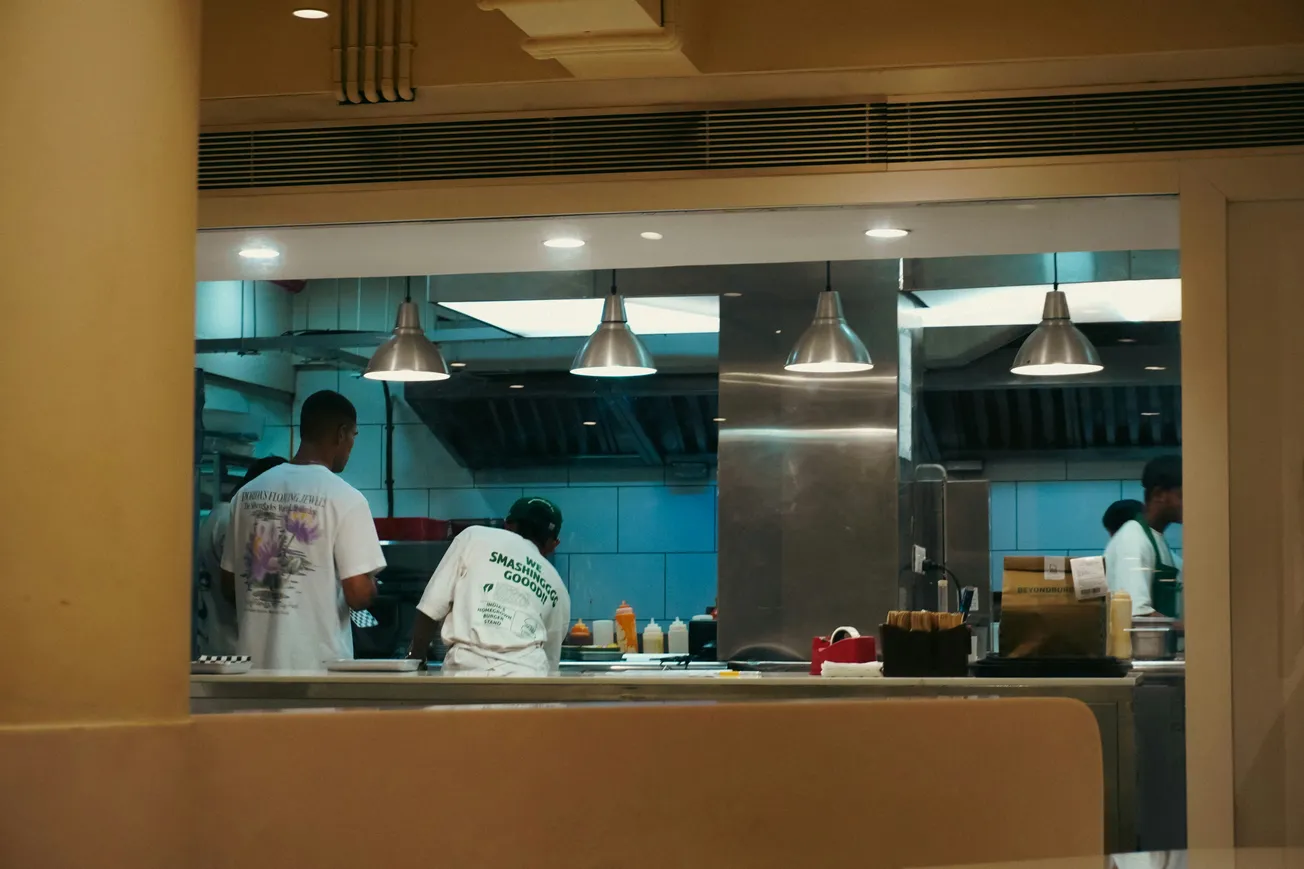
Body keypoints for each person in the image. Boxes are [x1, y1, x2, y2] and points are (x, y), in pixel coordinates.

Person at [221, 390, 385, 669]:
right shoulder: (346, 499)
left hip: (252, 674)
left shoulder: (246, 495)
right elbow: (358, 596)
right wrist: (372, 586)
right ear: (341, 433)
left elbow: (229, 586)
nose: (350, 448)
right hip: (317, 675)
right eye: (353, 437)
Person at [408, 497, 570, 677]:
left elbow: (430, 608)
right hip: (527, 680)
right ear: (553, 544)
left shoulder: (474, 537)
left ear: (507, 525)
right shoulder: (559, 588)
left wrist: (415, 659)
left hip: (465, 675)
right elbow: (550, 662)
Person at [195, 455, 286, 656]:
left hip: (211, 641)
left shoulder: (215, 516)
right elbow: (239, 589)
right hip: (232, 648)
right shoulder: (232, 520)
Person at [1104, 456, 1182, 617]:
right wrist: (1192, 629)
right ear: (1159, 494)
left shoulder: (1157, 540)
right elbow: (1138, 615)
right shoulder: (1132, 539)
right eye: (1182, 495)